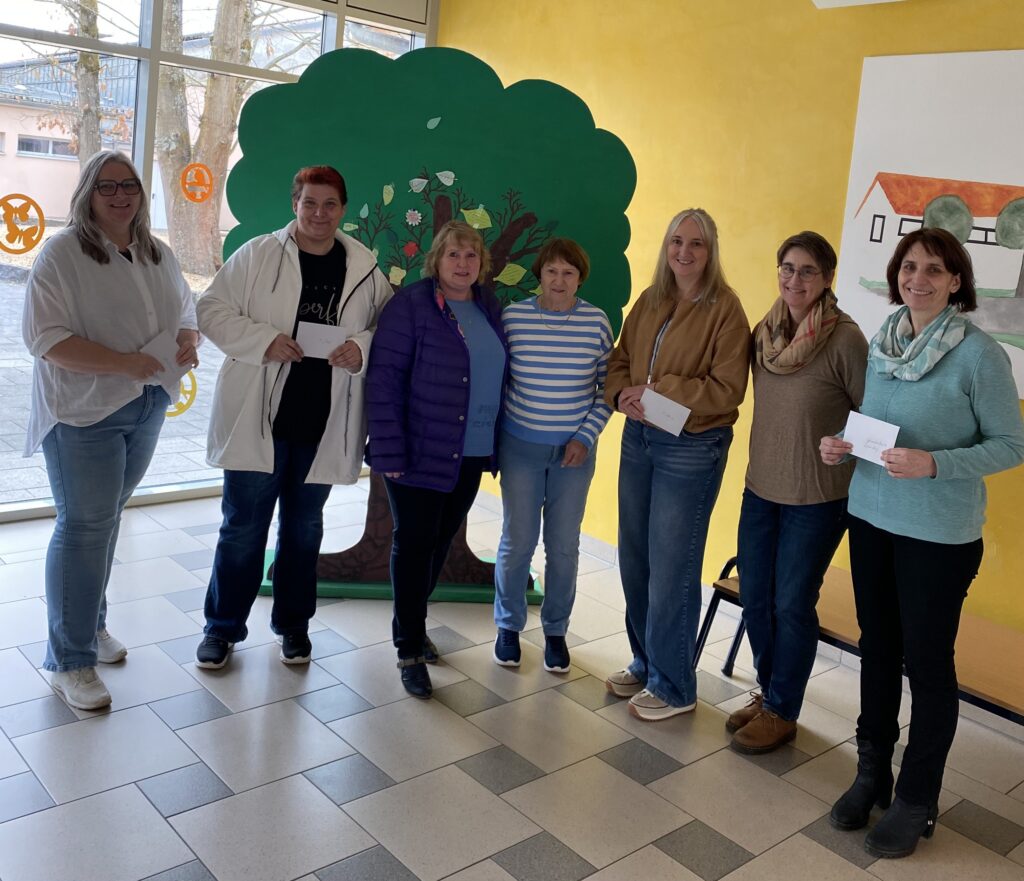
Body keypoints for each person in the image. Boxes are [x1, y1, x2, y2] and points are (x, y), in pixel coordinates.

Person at [820, 227, 1024, 858]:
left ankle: (916, 797)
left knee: (928, 666)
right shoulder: (883, 342)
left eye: (935, 269)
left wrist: (936, 464)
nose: (919, 279)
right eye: (909, 267)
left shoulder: (980, 355)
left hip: (938, 537)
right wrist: (844, 444)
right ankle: (871, 774)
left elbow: (1012, 444)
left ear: (956, 281)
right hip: (871, 518)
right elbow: (880, 427)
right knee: (877, 651)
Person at [195, 165, 391, 670]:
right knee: (243, 529)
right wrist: (263, 340)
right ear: (295, 205)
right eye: (310, 203)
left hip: (321, 423)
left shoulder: (364, 267)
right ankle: (222, 629)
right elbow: (211, 309)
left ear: (342, 209)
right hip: (259, 418)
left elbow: (387, 328)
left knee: (304, 530)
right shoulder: (259, 254)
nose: (319, 214)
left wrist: (360, 346)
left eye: (329, 204)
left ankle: (294, 626)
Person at [23, 150, 199, 710]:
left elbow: (185, 309)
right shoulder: (61, 254)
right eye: (107, 186)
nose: (120, 195)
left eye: (130, 185)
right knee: (84, 527)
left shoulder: (156, 252)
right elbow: (45, 340)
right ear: (87, 194)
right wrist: (124, 364)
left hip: (146, 404)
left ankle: (89, 627)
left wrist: (188, 338)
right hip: (84, 413)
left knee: (104, 520)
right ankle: (69, 661)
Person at [603, 208, 750, 721]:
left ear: (711, 252)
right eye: (676, 242)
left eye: (696, 243)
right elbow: (620, 360)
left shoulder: (726, 310)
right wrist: (621, 394)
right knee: (635, 558)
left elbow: (727, 390)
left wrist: (659, 390)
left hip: (690, 446)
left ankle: (674, 686)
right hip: (640, 436)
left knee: (672, 568)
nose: (684, 252)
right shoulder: (651, 299)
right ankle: (647, 663)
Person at [730, 231, 867, 753]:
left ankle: (783, 710)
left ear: (827, 278)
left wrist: (845, 443)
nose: (795, 279)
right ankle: (770, 694)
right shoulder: (764, 333)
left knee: (791, 604)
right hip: (760, 490)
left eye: (808, 270)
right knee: (755, 598)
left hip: (818, 499)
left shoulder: (844, 339)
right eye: (787, 268)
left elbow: (874, 416)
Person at [367, 220, 508, 699]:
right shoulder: (411, 305)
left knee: (440, 541)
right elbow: (384, 379)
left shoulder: (489, 305)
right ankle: (408, 648)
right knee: (414, 544)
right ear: (436, 260)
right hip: (417, 449)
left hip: (471, 450)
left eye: (471, 255)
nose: (462, 264)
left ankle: (411, 623)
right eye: (453, 255)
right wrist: (388, 448)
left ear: (481, 263)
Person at [492, 238, 613, 672]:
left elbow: (607, 392)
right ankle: (508, 626)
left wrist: (585, 437)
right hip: (520, 449)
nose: (559, 280)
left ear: (580, 278)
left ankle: (556, 631)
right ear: (539, 274)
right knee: (517, 541)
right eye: (551, 271)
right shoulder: (513, 318)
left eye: (568, 273)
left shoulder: (597, 323)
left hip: (574, 455)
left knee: (563, 547)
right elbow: (498, 381)